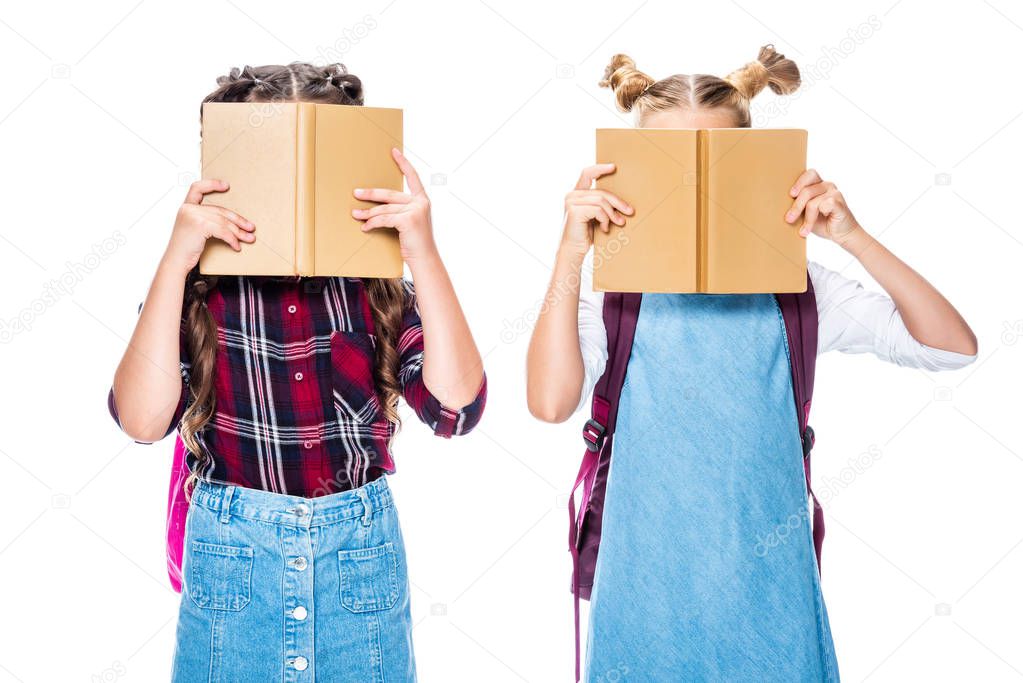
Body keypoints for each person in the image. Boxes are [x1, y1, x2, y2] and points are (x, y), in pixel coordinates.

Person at [526, 46, 977, 681]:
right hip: (644, 595)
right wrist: (571, 254)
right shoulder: (610, 293)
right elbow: (550, 403)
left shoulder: (798, 288)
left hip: (772, 599)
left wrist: (851, 235)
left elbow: (949, 346)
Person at [108, 62, 486, 682]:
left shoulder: (375, 290)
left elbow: (457, 409)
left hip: (358, 556)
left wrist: (422, 249)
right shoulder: (198, 293)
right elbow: (143, 420)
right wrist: (174, 261)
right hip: (232, 554)